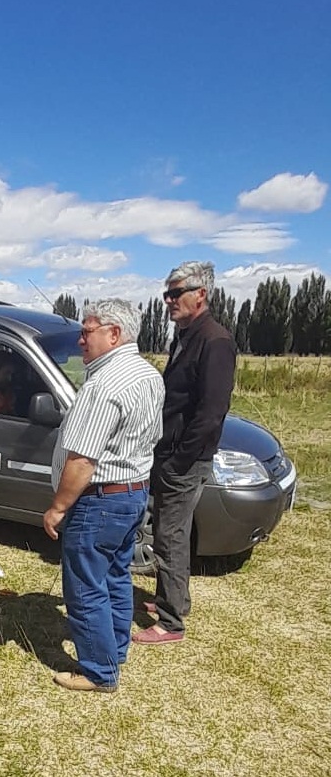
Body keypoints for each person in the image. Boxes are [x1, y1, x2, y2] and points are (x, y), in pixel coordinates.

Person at [43, 300, 164, 694]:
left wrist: (59, 507)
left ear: (114, 334)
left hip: (99, 498)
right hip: (132, 493)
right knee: (114, 575)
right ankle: (115, 649)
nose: (81, 339)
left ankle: (98, 671)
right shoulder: (148, 375)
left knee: (85, 585)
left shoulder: (104, 384)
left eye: (87, 331)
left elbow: (82, 459)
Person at [132, 261, 236, 645]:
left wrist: (179, 459)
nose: (169, 301)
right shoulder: (185, 335)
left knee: (170, 536)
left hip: (184, 459)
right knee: (167, 529)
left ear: (201, 294)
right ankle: (170, 600)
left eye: (176, 293)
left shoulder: (215, 341)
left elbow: (211, 412)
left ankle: (171, 622)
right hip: (171, 452)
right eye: (167, 294)